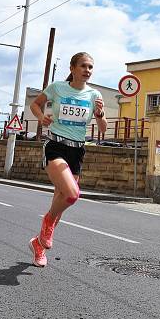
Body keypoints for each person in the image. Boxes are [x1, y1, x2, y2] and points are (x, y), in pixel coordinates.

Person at [27, 52, 106, 267]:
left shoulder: (94, 95)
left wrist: (99, 115)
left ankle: (38, 246)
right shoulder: (57, 88)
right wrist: (41, 117)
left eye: (90, 67)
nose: (87, 70)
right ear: (72, 68)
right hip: (56, 147)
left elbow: (102, 129)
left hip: (77, 151)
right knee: (71, 195)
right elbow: (36, 104)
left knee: (59, 203)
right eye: (83, 66)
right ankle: (47, 222)